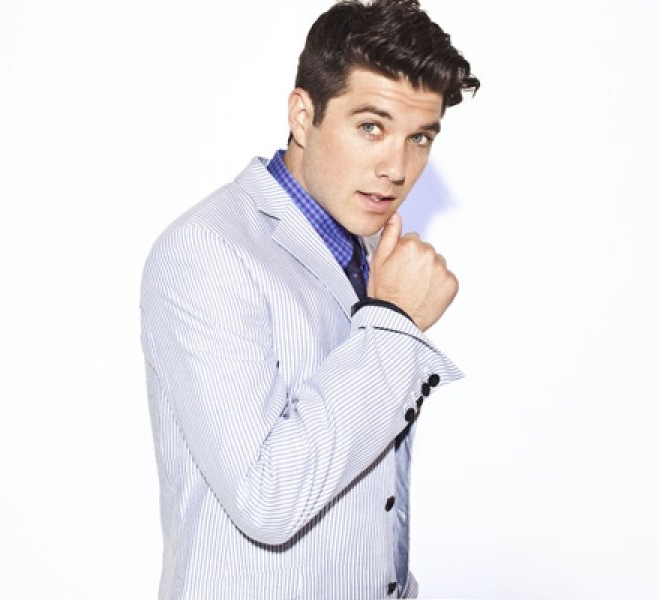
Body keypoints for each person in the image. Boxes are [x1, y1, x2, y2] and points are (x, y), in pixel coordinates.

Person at [140, 1, 479, 597]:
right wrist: (395, 323)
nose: (397, 168)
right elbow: (268, 498)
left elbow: (363, 493)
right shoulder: (209, 251)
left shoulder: (364, 252)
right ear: (303, 115)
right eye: (371, 127)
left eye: (419, 138)